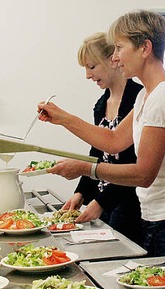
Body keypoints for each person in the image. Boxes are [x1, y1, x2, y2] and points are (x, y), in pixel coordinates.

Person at [38, 10, 165, 271]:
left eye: (119, 47)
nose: (115, 57)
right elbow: (112, 141)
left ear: (145, 48)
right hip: (158, 216)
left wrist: (85, 169)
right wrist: (62, 118)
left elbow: (144, 174)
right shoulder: (148, 95)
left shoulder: (164, 97)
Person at [60, 32, 143, 245]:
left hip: (131, 204)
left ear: (113, 60)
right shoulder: (100, 105)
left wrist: (101, 202)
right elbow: (96, 155)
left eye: (92, 66)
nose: (88, 75)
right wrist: (80, 193)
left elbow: (132, 164)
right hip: (106, 201)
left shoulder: (139, 98)